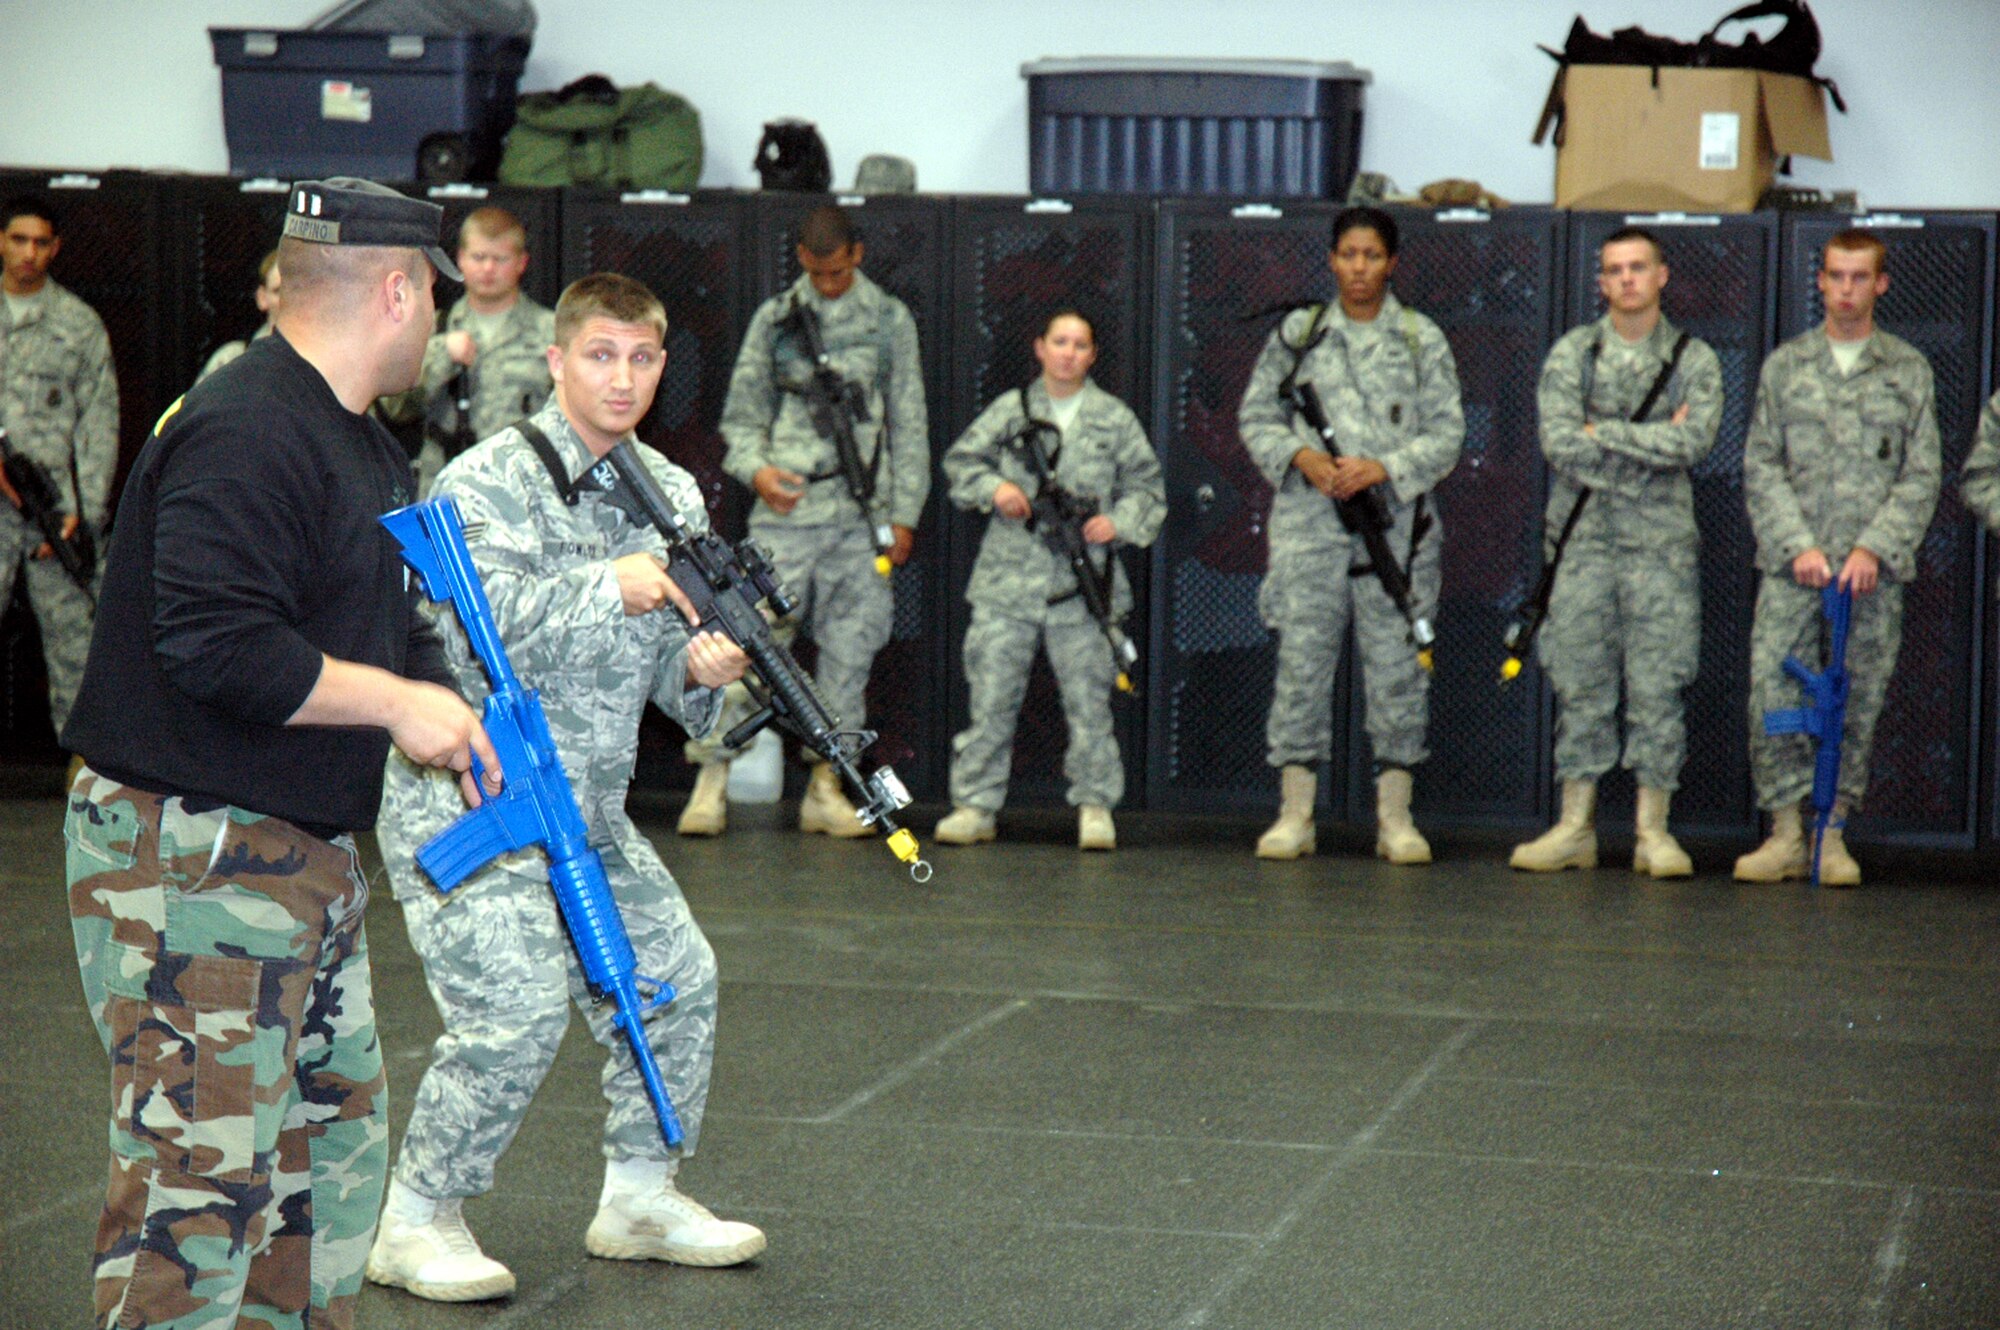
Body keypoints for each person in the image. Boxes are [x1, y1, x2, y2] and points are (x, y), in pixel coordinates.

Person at [59, 178, 497, 1330]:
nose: (442, 325)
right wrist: (401, 705)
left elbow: (371, 615)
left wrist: (449, 702)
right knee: (194, 1191)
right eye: (435, 299)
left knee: (322, 1171)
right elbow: (217, 644)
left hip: (291, 855)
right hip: (192, 855)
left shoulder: (351, 438)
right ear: (398, 288)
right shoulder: (249, 423)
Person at [366, 272, 765, 1302]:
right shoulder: (486, 479)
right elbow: (464, 626)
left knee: (676, 977)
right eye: (599, 354)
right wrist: (610, 582)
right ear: (555, 360)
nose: (621, 377)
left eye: (641, 358)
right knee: (516, 1009)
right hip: (470, 797)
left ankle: (638, 1195)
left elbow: (667, 679)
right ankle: (415, 1217)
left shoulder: (667, 494)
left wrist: (701, 670)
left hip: (584, 806)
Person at [679, 203, 929, 838]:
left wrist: (905, 514)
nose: (827, 284)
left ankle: (826, 787)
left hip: (859, 516)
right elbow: (738, 419)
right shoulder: (777, 321)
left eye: (838, 272)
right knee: (748, 646)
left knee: (849, 657)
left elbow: (909, 423)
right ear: (801, 262)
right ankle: (712, 780)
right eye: (817, 273)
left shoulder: (889, 321)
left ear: (858, 257)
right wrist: (758, 471)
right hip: (785, 518)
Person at [1236, 206, 1464, 864]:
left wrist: (1384, 467)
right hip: (1310, 529)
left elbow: (1448, 435)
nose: (1358, 267)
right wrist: (1303, 459)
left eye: (1371, 256)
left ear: (1391, 263)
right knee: (1302, 668)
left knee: (1397, 672)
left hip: (1396, 530)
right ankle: (1295, 814)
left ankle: (1395, 819)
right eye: (1347, 254)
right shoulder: (1299, 334)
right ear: (1332, 259)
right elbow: (1257, 415)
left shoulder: (1422, 339)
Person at [1510, 227, 1724, 876]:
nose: (1626, 279)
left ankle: (1652, 831)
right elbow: (1559, 445)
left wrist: (1601, 431)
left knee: (1658, 687)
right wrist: (1651, 439)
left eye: (1638, 267)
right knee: (1581, 684)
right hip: (1582, 550)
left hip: (1660, 552)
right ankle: (1576, 827)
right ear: (1600, 282)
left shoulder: (1695, 358)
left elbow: (1699, 443)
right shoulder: (1573, 353)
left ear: (1662, 276)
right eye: (1613, 270)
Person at [1736, 229, 1940, 887]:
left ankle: (1833, 832)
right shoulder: (1785, 366)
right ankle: (1787, 834)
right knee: (1774, 689)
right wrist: (1796, 543)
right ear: (1818, 281)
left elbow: (1922, 473)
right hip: (1792, 569)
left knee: (1858, 694)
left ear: (1880, 284)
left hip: (1868, 575)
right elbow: (1760, 463)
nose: (1846, 289)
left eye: (1859, 277)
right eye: (1835, 276)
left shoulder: (1907, 371)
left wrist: (1873, 546)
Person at [934, 308, 1165, 850]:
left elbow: (1148, 489)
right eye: (1059, 341)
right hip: (1007, 584)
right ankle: (974, 804)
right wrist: (996, 490)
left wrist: (1119, 523)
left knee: (1089, 705)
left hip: (1085, 588)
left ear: (1092, 355)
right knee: (990, 700)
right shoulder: (1011, 411)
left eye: (1080, 344)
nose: (1068, 353)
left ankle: (1094, 806)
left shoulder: (1113, 417)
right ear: (1039, 348)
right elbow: (960, 462)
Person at [0, 192, 118, 742]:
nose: (29, 253)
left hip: (52, 510)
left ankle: (87, 777)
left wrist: (82, 512)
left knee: (77, 651)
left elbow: (99, 423)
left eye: (41, 242)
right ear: (1, 241)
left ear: (55, 248)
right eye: (18, 239)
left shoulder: (78, 324)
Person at [381, 205, 555, 495]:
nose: (488, 268)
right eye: (478, 257)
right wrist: (440, 354)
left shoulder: (552, 332)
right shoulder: (431, 326)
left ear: (522, 263)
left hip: (524, 491)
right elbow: (393, 408)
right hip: (447, 489)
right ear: (460, 259)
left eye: (500, 259)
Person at [193, 246, 280, 384]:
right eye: (279, 291)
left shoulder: (323, 361)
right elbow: (197, 405)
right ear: (262, 297)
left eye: (296, 291)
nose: (289, 300)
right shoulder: (230, 360)